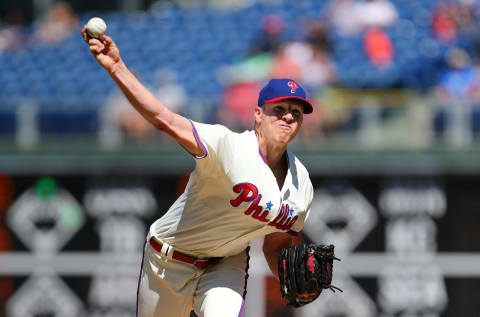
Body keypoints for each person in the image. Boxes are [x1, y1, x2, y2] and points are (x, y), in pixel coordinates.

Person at [81, 25, 315, 317]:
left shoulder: (302, 183)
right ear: (258, 115)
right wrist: (117, 67)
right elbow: (163, 119)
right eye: (279, 109)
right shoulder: (227, 145)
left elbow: (276, 241)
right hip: (169, 260)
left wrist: (290, 279)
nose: (288, 116)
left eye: (296, 111)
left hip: (226, 263)